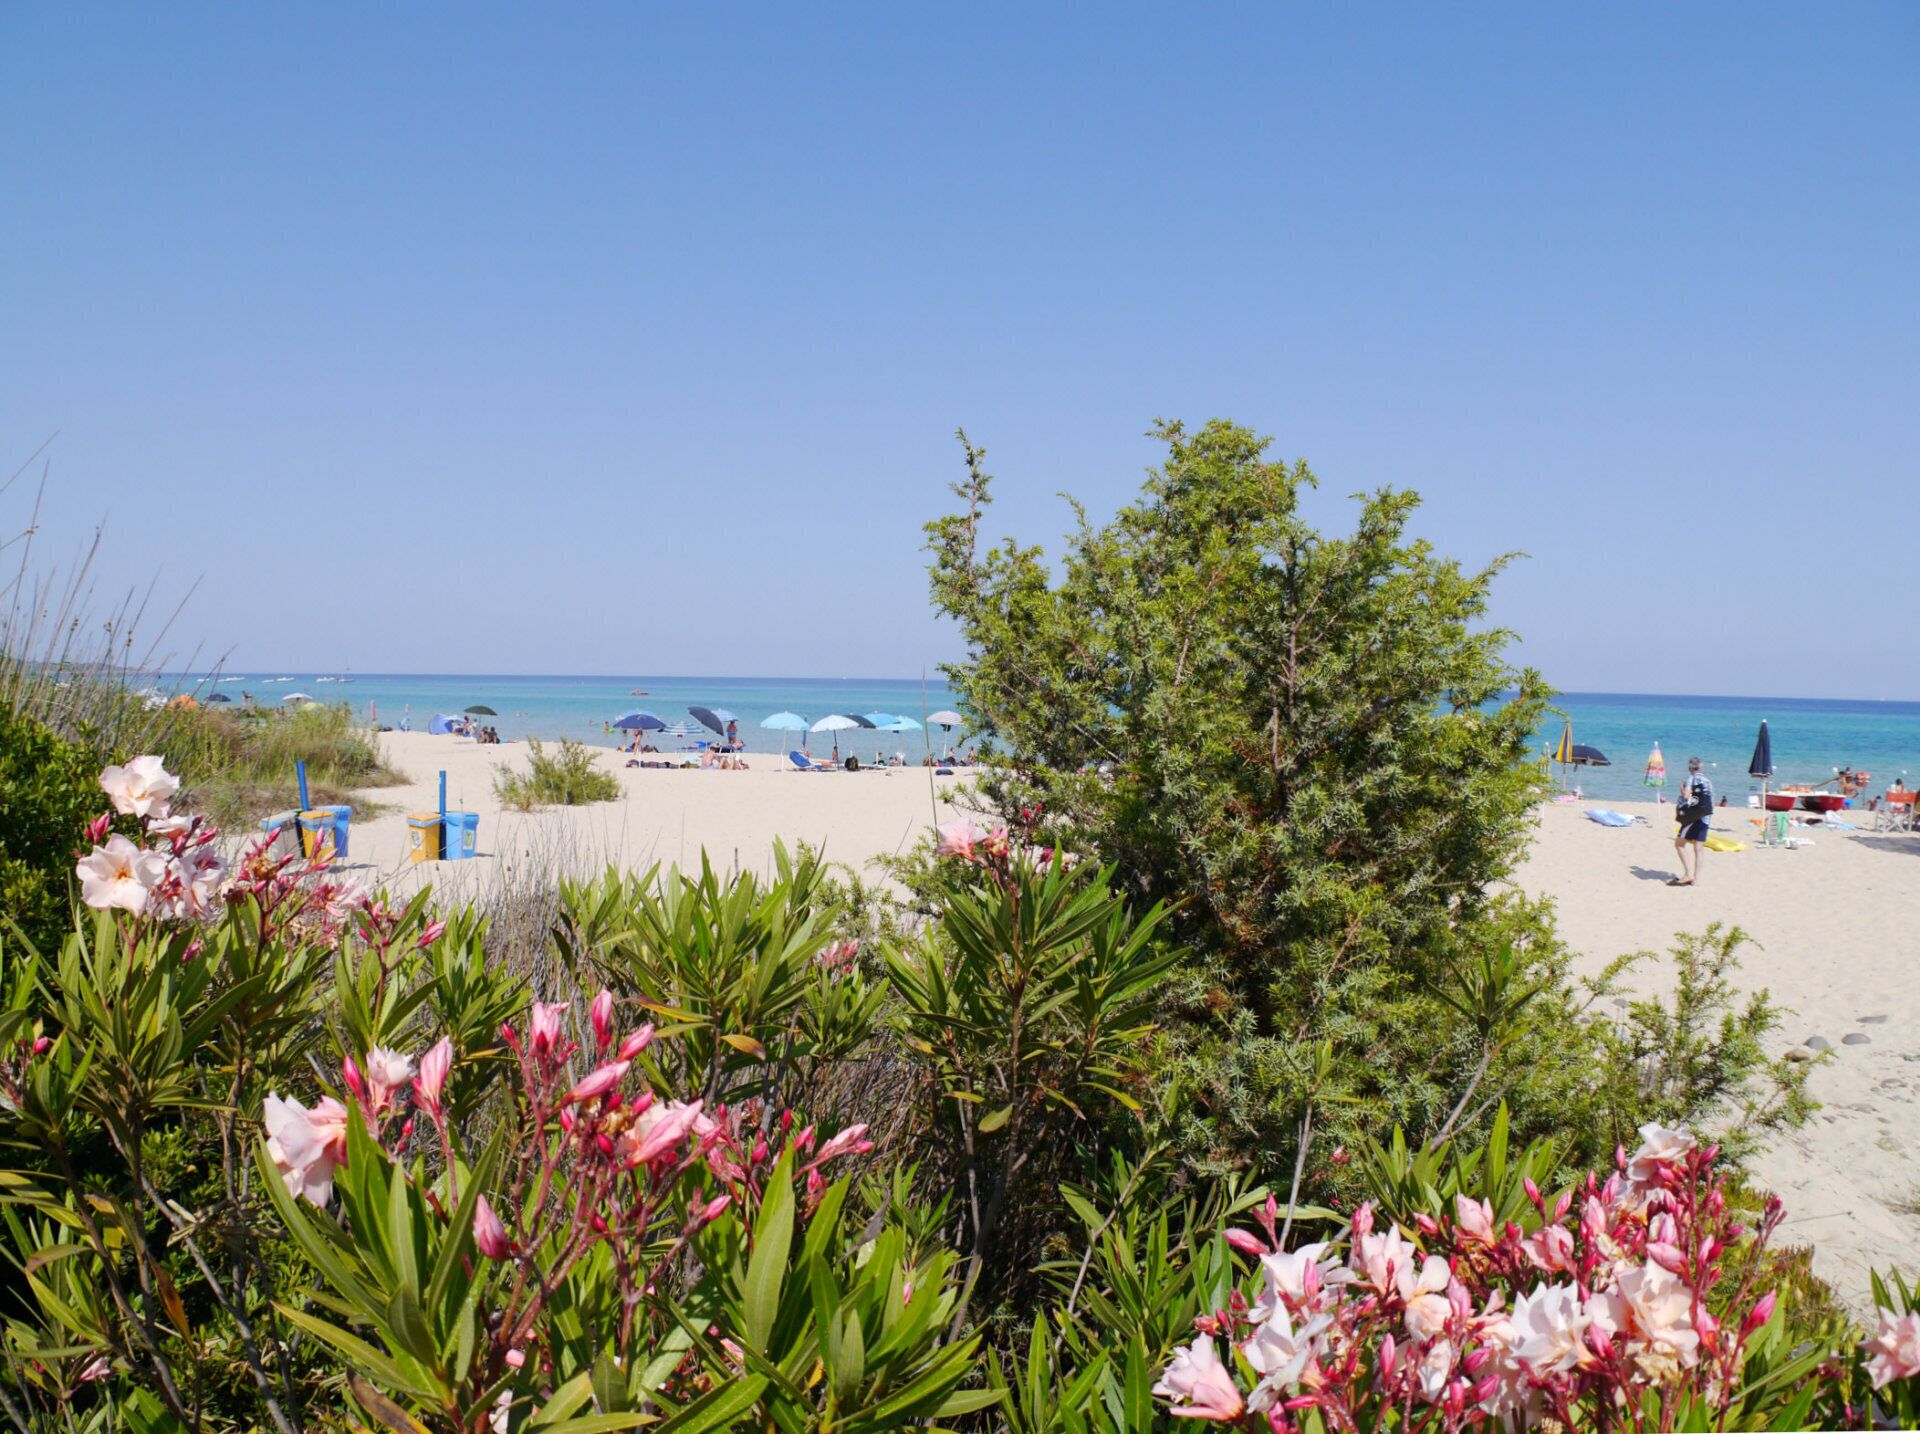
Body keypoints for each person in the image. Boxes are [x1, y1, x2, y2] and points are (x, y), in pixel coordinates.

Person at [1671, 756, 1713, 887]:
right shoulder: (1708, 782)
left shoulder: (1692, 778)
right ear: (1701, 768)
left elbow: (1686, 796)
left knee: (1679, 844)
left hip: (1693, 818)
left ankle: (1688, 874)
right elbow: (1711, 804)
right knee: (1699, 848)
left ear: (1690, 768)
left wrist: (1682, 788)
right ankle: (1696, 879)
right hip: (1706, 818)